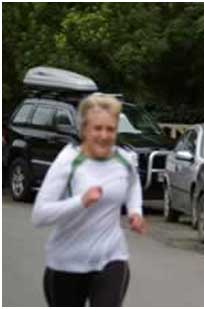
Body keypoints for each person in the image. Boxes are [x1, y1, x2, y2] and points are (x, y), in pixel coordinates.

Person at [32, 94, 146, 306]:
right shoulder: (68, 161)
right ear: (84, 129)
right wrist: (80, 201)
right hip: (66, 262)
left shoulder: (124, 159)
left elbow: (132, 184)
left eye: (110, 129)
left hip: (111, 257)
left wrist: (135, 212)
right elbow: (39, 215)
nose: (104, 136)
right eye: (97, 128)